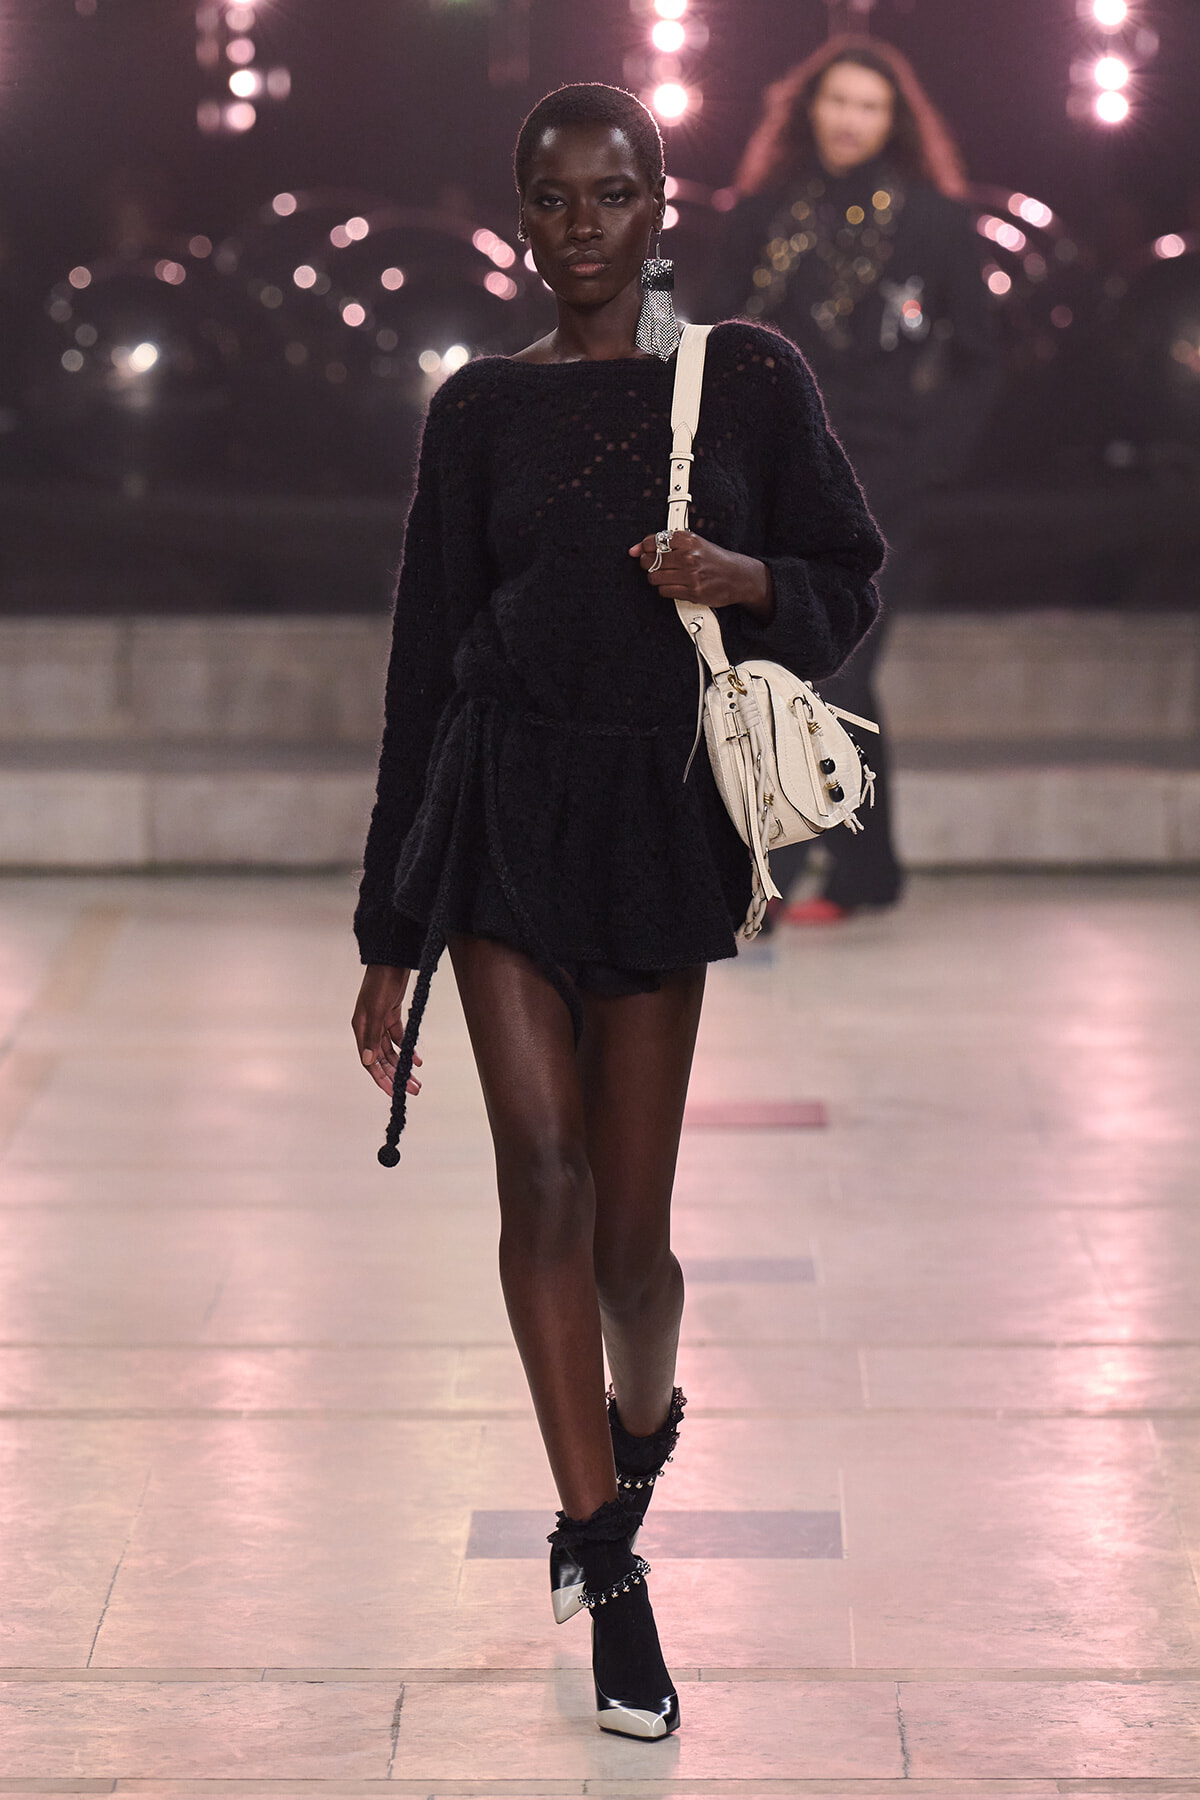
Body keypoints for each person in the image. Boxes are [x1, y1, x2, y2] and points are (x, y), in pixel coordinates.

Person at [351, 83, 882, 1741]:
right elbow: (423, 665)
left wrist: (743, 583)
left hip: (657, 818)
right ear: (520, 217)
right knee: (545, 1173)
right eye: (551, 197)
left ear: (663, 205)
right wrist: (388, 931)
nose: (579, 222)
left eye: (611, 193)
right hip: (508, 809)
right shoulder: (476, 413)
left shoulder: (749, 379)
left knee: (635, 1244)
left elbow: (848, 577)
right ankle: (609, 1566)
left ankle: (640, 1420)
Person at [705, 36, 1000, 922]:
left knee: (837, 663)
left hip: (881, 480)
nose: (850, 120)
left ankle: (814, 875)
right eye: (837, 101)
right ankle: (836, 873)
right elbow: (712, 331)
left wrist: (929, 459)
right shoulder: (759, 214)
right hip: (777, 472)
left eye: (869, 106)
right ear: (807, 109)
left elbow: (982, 359)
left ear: (894, 120)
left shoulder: (935, 222)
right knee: (791, 668)